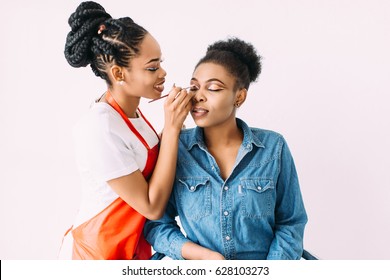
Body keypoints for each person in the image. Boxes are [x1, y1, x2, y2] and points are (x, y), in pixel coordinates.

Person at [144, 37, 308, 260]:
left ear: (239, 97)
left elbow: (290, 223)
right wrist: (203, 257)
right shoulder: (176, 146)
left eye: (213, 88)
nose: (198, 96)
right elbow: (156, 226)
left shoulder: (273, 147)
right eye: (193, 87)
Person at [58, 1, 194, 260]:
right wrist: (173, 128)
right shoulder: (99, 127)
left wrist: (173, 124)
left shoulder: (132, 112)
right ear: (119, 73)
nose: (163, 72)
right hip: (96, 254)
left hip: (130, 249)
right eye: (152, 68)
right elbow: (152, 207)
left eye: (161, 63)